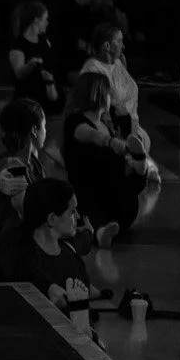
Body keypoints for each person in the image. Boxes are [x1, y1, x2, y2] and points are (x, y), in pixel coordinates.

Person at [0, 98, 98, 281]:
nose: (47, 130)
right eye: (44, 125)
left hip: (29, 248)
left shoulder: (35, 165)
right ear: (34, 130)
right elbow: (9, 178)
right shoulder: (10, 163)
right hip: (9, 258)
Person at [0, 178, 103, 333]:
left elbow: (82, 240)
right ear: (52, 218)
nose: (78, 216)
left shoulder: (69, 253)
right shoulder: (18, 253)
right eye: (72, 211)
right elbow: (24, 271)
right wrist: (49, 288)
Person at [60, 72, 149, 246]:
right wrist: (109, 141)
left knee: (132, 177)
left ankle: (141, 164)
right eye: (109, 93)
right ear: (100, 95)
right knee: (86, 206)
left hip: (118, 201)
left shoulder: (108, 125)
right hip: (91, 196)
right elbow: (90, 135)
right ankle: (100, 232)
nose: (110, 98)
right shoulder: (75, 121)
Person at [8, 0, 61, 113]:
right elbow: (19, 74)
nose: (47, 22)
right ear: (36, 20)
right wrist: (30, 64)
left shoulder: (45, 42)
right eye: (45, 19)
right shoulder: (19, 45)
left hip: (47, 102)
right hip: (27, 104)